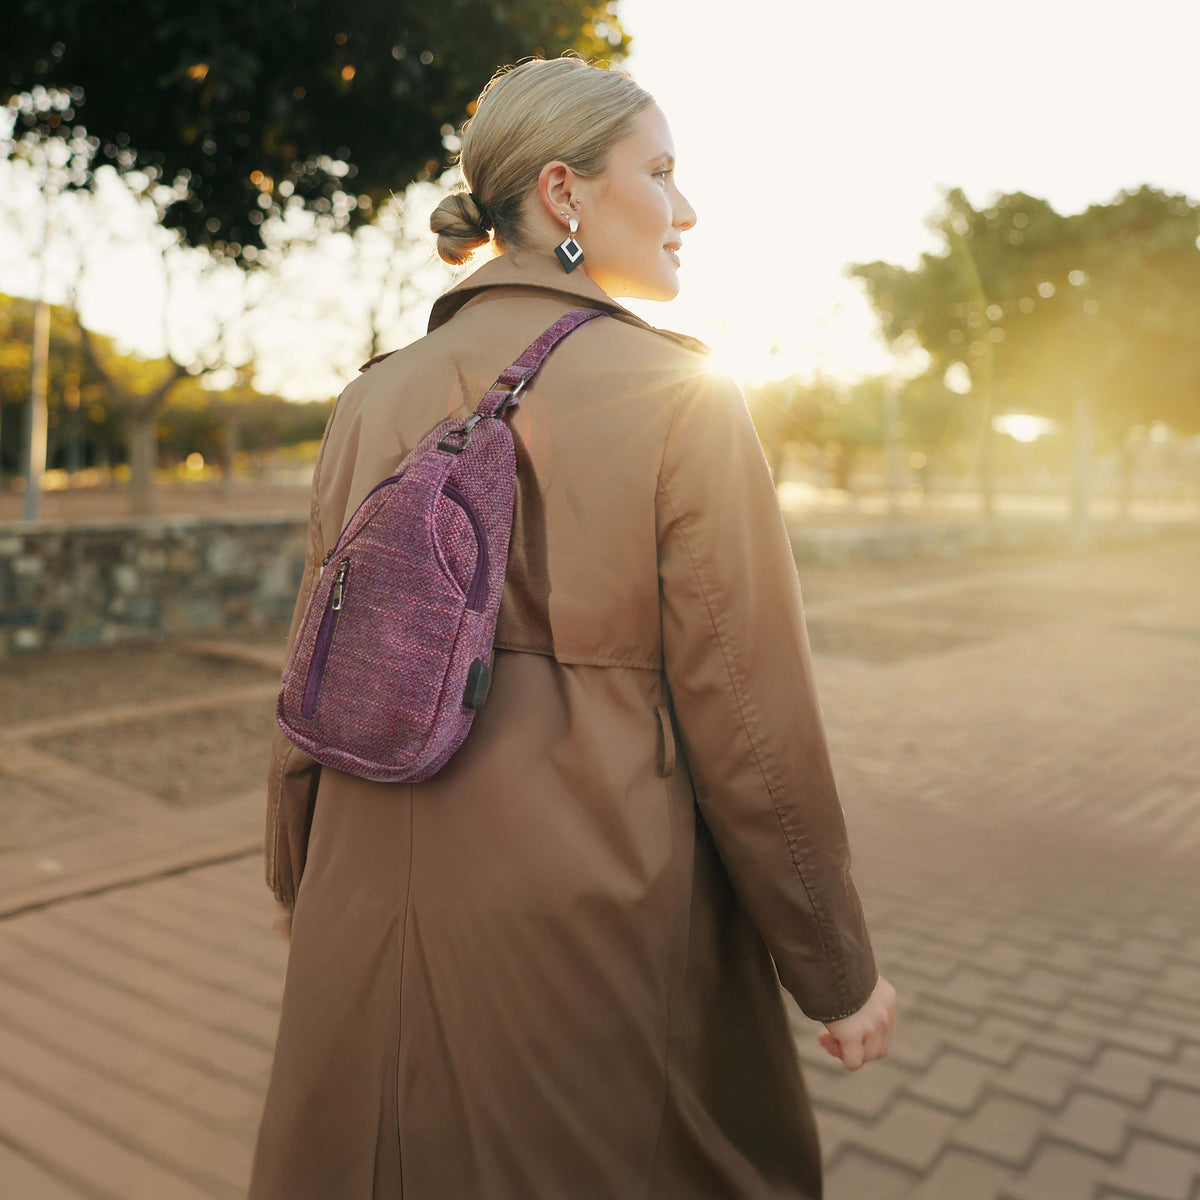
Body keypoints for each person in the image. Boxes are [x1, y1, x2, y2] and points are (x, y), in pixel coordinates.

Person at [249, 52, 896, 1200]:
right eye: (659, 170)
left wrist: (302, 880)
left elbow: (316, 668)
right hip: (587, 934)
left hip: (363, 911)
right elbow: (753, 727)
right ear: (564, 194)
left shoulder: (371, 397)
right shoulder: (677, 396)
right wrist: (836, 969)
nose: (687, 209)